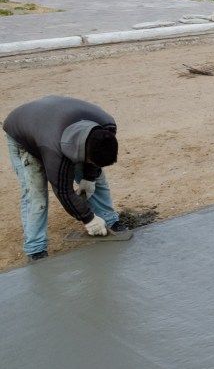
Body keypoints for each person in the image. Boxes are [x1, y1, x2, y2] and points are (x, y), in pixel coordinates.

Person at [4, 96, 124, 261]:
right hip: (24, 134)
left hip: (51, 122)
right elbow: (63, 191)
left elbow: (95, 161)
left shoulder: (107, 126)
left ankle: (110, 221)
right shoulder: (55, 153)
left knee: (99, 178)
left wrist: (89, 177)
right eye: (91, 160)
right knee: (36, 194)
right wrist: (88, 219)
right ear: (84, 153)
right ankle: (35, 249)